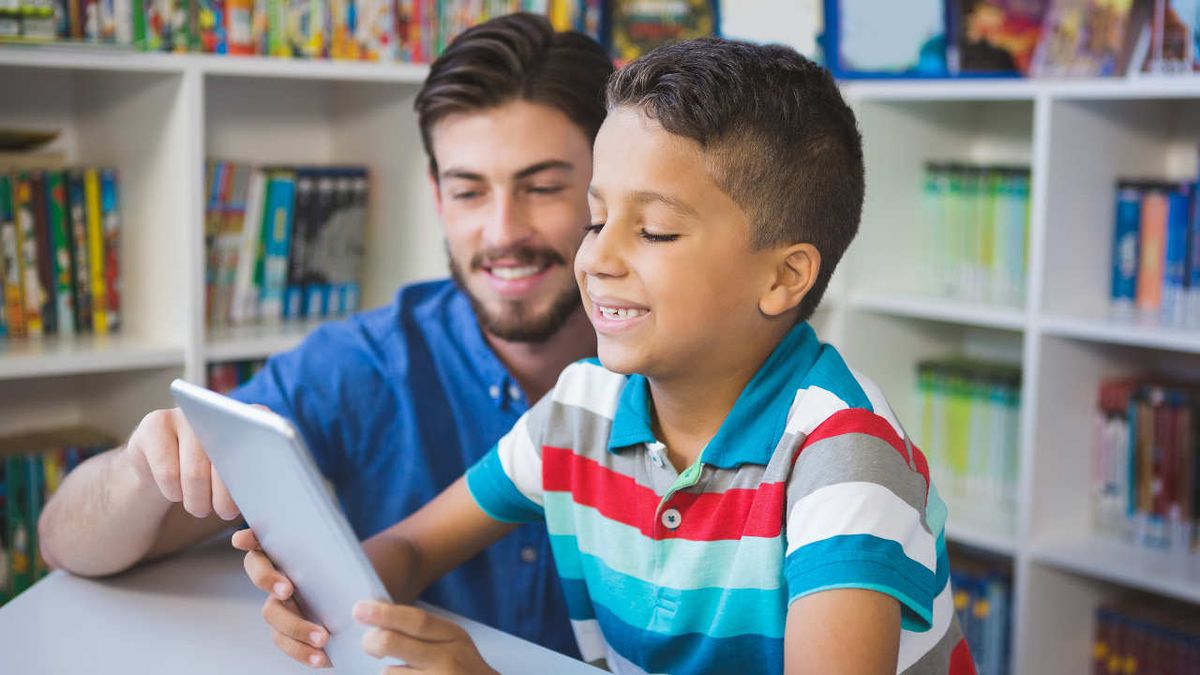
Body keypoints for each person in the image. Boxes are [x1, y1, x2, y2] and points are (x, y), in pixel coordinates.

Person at [240, 37, 977, 674]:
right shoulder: (582, 408)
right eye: (597, 218)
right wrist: (318, 591)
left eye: (653, 230)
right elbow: (407, 547)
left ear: (784, 276)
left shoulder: (843, 462)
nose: (596, 257)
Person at [36, 13, 613, 658]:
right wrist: (143, 471)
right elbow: (64, 543)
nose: (503, 231)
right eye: (469, 191)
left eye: (543, 187)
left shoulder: (688, 368)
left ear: (608, 189)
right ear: (436, 195)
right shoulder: (368, 362)